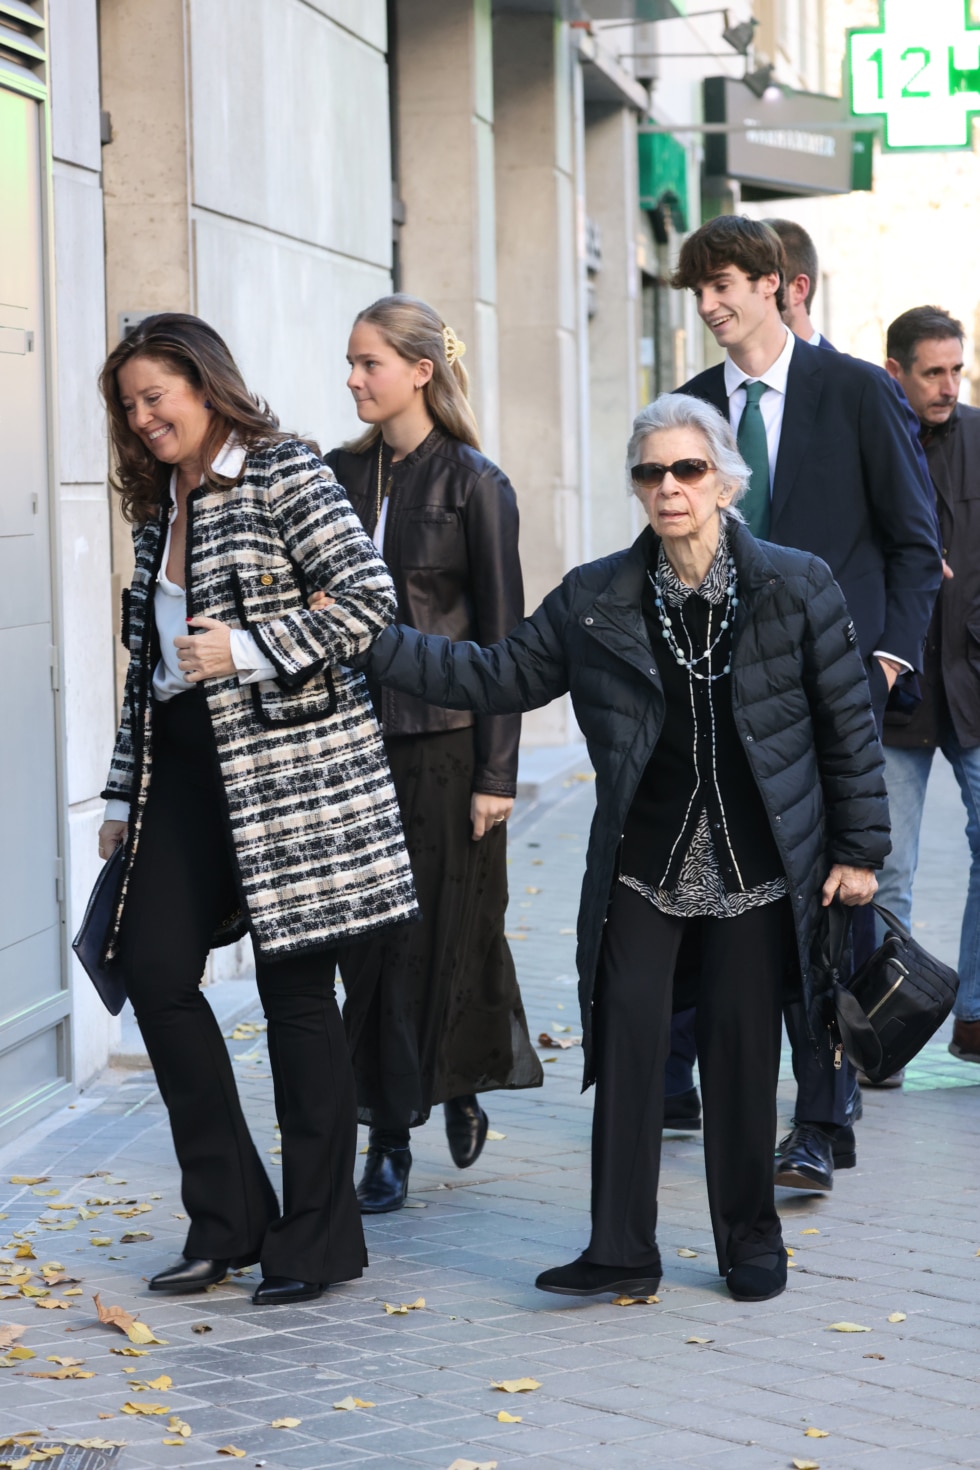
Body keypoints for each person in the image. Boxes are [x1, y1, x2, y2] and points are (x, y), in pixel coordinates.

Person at [349, 391, 888, 1303]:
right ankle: (620, 1249)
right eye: (651, 472)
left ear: (723, 480)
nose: (669, 488)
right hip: (645, 864)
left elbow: (847, 724)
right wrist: (373, 643)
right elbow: (498, 672)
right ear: (637, 487)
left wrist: (859, 849)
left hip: (760, 871)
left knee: (741, 1057)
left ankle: (752, 1242)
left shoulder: (796, 585)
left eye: (688, 470)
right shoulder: (598, 597)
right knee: (629, 1045)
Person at [96, 313, 418, 1305]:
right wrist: (120, 791)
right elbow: (147, 669)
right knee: (150, 968)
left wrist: (242, 647)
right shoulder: (160, 508)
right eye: (130, 405)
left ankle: (315, 1240)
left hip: (290, 781)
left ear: (204, 384)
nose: (146, 417)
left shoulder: (284, 471)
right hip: (181, 780)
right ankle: (227, 1216)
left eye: (158, 394)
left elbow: (369, 602)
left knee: (293, 1003)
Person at [666, 216, 941, 1192]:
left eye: (723, 284)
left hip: (837, 701)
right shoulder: (690, 410)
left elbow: (914, 545)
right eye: (695, 290)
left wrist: (881, 663)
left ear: (777, 284)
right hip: (719, 708)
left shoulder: (854, 391)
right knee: (733, 903)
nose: (706, 305)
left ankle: (820, 1119)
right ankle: (695, 1078)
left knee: (833, 910)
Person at [315, 294, 542, 1215]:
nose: (354, 378)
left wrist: (497, 776)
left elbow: (504, 641)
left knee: (452, 937)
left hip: (447, 750)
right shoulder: (335, 474)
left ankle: (440, 1095)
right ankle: (391, 1124)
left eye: (369, 362)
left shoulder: (475, 483)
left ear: (419, 370)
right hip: (353, 748)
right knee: (373, 949)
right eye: (351, 361)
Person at [881, 306, 980, 1067]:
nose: (949, 385)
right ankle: (883, 1034)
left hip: (976, 679)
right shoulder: (870, 438)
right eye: (933, 372)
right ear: (897, 372)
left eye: (957, 369)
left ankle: (976, 1018)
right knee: (886, 867)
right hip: (897, 684)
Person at [764, 216, 933, 497]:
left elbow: (914, 517)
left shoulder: (865, 389)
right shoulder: (719, 397)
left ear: (798, 289)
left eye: (762, 281)